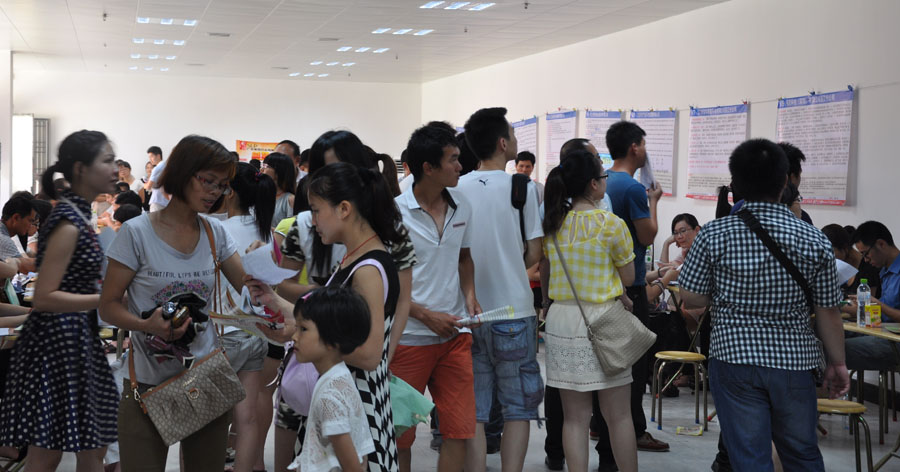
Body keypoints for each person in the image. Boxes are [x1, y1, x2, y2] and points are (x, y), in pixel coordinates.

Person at [679, 138, 848, 471]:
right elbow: (828, 310)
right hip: (794, 361)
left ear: (735, 186)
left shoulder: (713, 234)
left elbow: (692, 298)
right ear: (785, 181)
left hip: (733, 358)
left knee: (749, 458)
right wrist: (838, 363)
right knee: (802, 454)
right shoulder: (813, 238)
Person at [100, 135, 247, 471]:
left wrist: (282, 304)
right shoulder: (136, 233)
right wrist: (145, 325)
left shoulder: (215, 233)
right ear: (182, 173)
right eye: (208, 181)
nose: (214, 192)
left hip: (204, 377)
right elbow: (108, 306)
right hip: (146, 381)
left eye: (222, 185)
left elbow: (251, 289)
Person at [247, 161, 403, 472]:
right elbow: (332, 324)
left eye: (317, 210)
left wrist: (307, 337)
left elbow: (370, 354)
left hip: (355, 405)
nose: (312, 221)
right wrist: (274, 300)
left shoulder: (368, 269)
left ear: (344, 209)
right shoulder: (354, 257)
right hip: (342, 398)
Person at [0, 130, 121, 471]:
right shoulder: (68, 222)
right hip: (58, 346)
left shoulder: (77, 216)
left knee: (87, 447)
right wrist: (105, 298)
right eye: (107, 161)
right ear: (81, 169)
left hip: (72, 340)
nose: (115, 169)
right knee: (53, 451)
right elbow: (44, 296)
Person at [540, 148, 638, 472]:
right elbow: (628, 277)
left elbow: (546, 269)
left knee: (574, 418)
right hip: (604, 318)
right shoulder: (611, 224)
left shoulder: (553, 224)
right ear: (594, 184)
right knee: (618, 416)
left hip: (562, 320)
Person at [458, 107, 544, 472]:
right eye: (512, 131)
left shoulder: (456, 187)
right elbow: (535, 251)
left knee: (474, 410)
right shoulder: (522, 187)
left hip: (468, 313)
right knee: (518, 408)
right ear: (502, 143)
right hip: (515, 311)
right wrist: (511, 265)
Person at [391, 123, 480, 472]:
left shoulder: (462, 205)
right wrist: (426, 316)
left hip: (455, 335)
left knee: (459, 431)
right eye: (453, 159)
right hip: (407, 339)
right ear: (428, 167)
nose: (460, 166)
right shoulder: (393, 214)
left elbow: (464, 258)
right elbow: (384, 284)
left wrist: (470, 295)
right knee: (399, 434)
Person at [592, 121, 668, 469]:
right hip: (629, 288)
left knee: (606, 366)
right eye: (644, 144)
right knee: (632, 369)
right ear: (635, 147)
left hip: (603, 288)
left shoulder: (603, 181)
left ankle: (600, 426)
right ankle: (631, 431)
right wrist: (654, 202)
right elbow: (648, 236)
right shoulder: (635, 189)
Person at [218, 162, 277, 472]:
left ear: (229, 191)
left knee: (206, 424)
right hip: (257, 334)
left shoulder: (216, 230)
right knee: (247, 417)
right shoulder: (267, 230)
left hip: (222, 334)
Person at [288, 286, 376, 472]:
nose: (294, 337)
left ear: (332, 340)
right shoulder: (339, 376)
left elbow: (352, 466)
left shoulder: (329, 397)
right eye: (296, 327)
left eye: (303, 329)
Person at [844, 221, 900, 371]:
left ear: (881, 244)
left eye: (866, 254)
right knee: (828, 336)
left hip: (894, 341)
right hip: (882, 330)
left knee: (834, 350)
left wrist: (877, 304)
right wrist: (859, 308)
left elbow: (886, 310)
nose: (865, 260)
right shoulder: (885, 271)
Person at [821, 224, 882, 299]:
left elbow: (868, 303)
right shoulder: (835, 269)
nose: (827, 256)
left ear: (845, 248)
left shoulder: (870, 268)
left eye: (830, 251)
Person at [0, 196, 37, 273]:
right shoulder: (3, 239)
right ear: (16, 218)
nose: (31, 226)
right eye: (30, 221)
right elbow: (24, 266)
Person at [262, 152, 297, 226]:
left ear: (279, 171)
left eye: (267, 166)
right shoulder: (262, 194)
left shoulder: (290, 199)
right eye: (263, 165)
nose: (262, 169)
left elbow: (289, 228)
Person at [144, 145, 170, 212]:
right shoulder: (167, 166)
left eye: (151, 156)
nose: (150, 159)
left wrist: (144, 185)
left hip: (157, 201)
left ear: (158, 156)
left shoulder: (157, 168)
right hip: (167, 201)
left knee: (154, 219)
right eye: (149, 157)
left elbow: (148, 186)